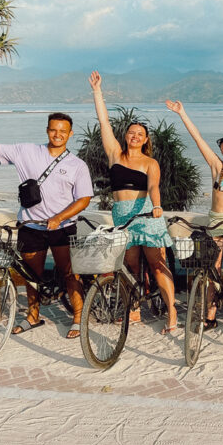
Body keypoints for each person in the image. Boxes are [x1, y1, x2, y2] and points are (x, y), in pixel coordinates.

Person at [0, 107, 93, 339]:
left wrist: (59, 217)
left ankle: (78, 317)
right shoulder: (25, 151)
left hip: (62, 228)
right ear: (47, 130)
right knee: (31, 276)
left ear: (70, 134)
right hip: (30, 226)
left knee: (70, 274)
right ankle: (33, 316)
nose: (58, 134)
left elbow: (84, 199)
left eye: (63, 131)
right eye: (53, 129)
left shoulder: (78, 165)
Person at [89, 71, 177, 334]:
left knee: (157, 265)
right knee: (128, 266)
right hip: (122, 216)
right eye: (131, 132)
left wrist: (157, 206)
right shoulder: (115, 154)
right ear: (126, 135)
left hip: (147, 214)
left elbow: (153, 187)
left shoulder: (150, 162)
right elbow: (104, 122)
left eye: (140, 133)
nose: (135, 136)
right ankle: (134, 309)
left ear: (146, 139)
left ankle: (172, 311)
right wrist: (97, 91)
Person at [166, 100, 223, 340]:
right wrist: (182, 112)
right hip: (215, 222)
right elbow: (198, 140)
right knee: (213, 269)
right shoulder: (218, 167)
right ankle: (211, 315)